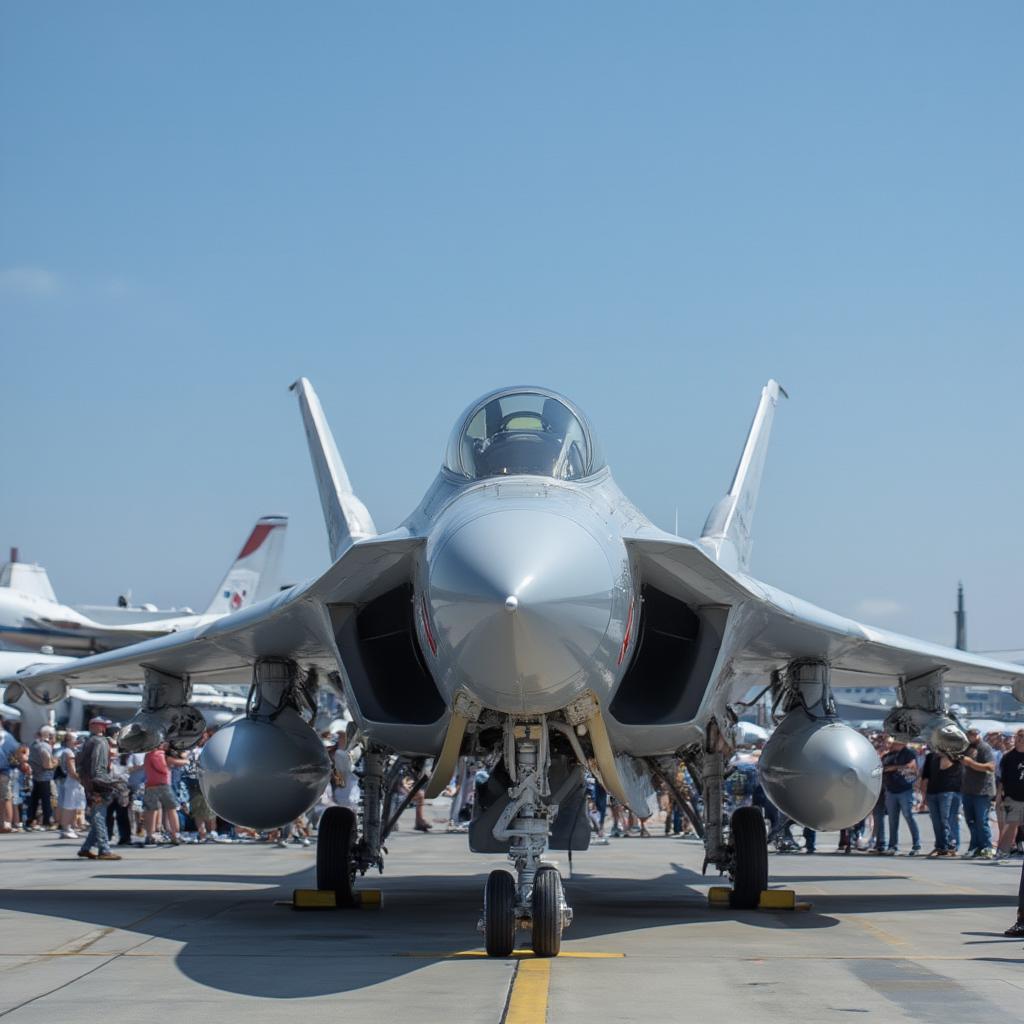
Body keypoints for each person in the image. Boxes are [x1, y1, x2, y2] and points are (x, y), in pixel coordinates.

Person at [76, 716, 120, 860]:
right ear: (101, 728)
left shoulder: (88, 742)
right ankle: (104, 850)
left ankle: (86, 848)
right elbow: (98, 768)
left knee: (98, 818)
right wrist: (106, 782)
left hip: (89, 783)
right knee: (100, 817)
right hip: (97, 785)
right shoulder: (100, 742)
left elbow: (81, 765)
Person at [960, 727, 997, 858]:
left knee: (982, 821)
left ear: (978, 735)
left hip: (983, 791)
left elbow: (990, 767)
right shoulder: (966, 748)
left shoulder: (984, 748)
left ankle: (987, 846)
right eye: (970, 734)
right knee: (971, 821)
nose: (972, 737)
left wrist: (971, 763)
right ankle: (975, 846)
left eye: (974, 734)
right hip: (968, 789)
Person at [881, 737, 921, 855]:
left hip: (905, 790)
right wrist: (899, 767)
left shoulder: (909, 753)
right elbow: (883, 768)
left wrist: (894, 768)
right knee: (893, 820)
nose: (892, 745)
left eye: (894, 743)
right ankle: (892, 846)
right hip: (891, 790)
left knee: (909, 816)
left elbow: (911, 767)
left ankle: (916, 845)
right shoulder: (887, 756)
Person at [142, 743, 187, 845]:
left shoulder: (147, 755)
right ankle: (175, 835)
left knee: (151, 811)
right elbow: (162, 769)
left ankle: (150, 835)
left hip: (150, 785)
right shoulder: (159, 754)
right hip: (163, 785)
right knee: (172, 809)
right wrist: (169, 765)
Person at [920, 746, 962, 857]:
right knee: (936, 822)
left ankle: (952, 844)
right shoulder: (930, 757)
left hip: (948, 791)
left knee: (947, 819)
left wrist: (944, 753)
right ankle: (941, 846)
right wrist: (923, 798)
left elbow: (944, 766)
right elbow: (925, 777)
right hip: (932, 792)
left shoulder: (954, 754)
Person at [996, 728, 1024, 859]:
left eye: (1023, 737)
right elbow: (1002, 779)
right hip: (1012, 797)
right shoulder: (1007, 757)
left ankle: (1018, 848)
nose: (1021, 739)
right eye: (1019, 736)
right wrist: (998, 798)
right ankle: (1003, 852)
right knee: (1011, 825)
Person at [27, 725, 57, 830]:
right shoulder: (44, 746)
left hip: (36, 775)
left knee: (34, 800)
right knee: (46, 800)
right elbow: (46, 764)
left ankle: (30, 820)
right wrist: (54, 763)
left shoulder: (34, 744)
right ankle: (47, 821)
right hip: (44, 776)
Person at [57, 732, 86, 838]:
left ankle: (72, 828)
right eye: (75, 739)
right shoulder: (69, 753)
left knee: (74, 806)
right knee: (69, 806)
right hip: (72, 783)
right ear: (69, 741)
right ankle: (65, 829)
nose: (77, 741)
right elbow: (72, 772)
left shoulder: (71, 751)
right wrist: (83, 778)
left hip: (73, 783)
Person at [0, 720, 19, 833]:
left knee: (5, 797)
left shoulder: (7, 736)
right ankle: (6, 822)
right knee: (5, 797)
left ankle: (4, 822)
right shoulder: (8, 737)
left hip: (4, 770)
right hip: (4, 770)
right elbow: (17, 752)